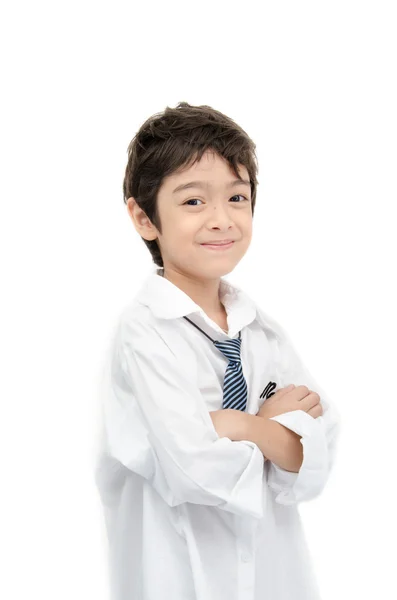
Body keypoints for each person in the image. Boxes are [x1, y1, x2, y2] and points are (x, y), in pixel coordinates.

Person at [93, 101, 341, 600]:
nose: (221, 220)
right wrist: (268, 428)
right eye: (193, 202)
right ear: (144, 218)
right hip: (177, 576)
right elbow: (196, 472)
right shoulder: (143, 332)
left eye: (237, 197)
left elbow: (319, 452)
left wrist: (231, 425)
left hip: (274, 577)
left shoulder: (262, 331)